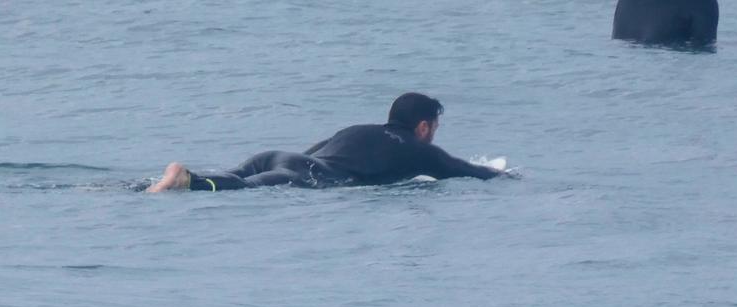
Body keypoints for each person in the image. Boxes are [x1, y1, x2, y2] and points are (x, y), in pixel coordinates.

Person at [146, 92, 504, 193]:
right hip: (309, 175)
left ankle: (152, 186)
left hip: (278, 156)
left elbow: (311, 150)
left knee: (232, 178)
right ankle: (186, 180)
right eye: (435, 127)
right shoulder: (420, 151)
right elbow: (468, 171)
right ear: (424, 126)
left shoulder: (356, 129)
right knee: (239, 187)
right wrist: (508, 175)